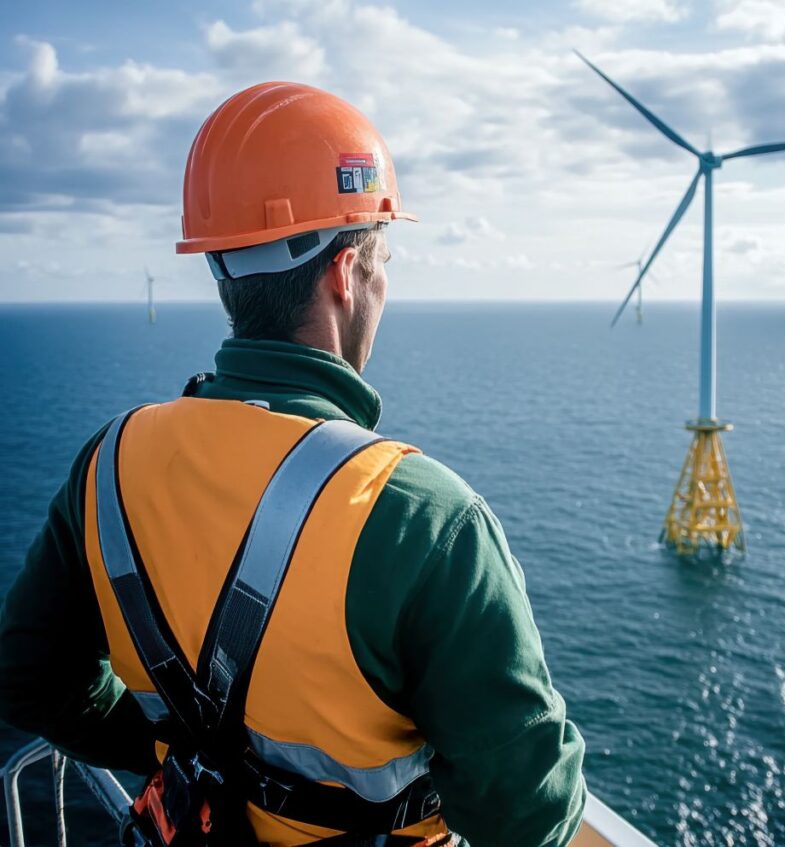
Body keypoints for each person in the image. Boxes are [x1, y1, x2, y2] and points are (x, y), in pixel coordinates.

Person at [0, 81, 586, 847]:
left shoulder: (109, 463)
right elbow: (528, 812)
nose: (383, 284)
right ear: (345, 274)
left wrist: (172, 756)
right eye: (382, 259)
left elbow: (28, 672)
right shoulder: (422, 517)